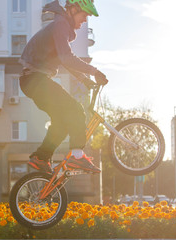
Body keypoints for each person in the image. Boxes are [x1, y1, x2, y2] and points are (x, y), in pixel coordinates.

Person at [19, 0, 108, 174]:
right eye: (83, 16)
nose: (84, 21)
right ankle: (76, 156)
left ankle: (41, 157)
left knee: (61, 123)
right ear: (73, 9)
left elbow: (62, 59)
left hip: (33, 81)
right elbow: (67, 58)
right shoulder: (60, 25)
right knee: (75, 109)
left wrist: (83, 79)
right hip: (36, 80)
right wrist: (94, 71)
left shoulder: (62, 26)